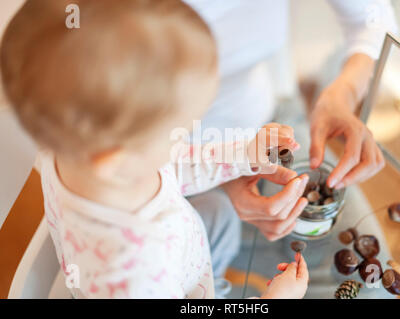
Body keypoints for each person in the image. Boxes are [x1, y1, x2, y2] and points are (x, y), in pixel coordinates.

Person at [1, 0, 310, 298]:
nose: (186, 138)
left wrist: (245, 154)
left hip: (182, 259)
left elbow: (170, 166)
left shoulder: (72, 148)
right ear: (115, 161)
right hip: (177, 285)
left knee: (219, 214)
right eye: (181, 132)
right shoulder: (135, 277)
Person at [182, 0, 398, 286]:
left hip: (272, 122)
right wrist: (223, 173)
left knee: (370, 284)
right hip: (170, 161)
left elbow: (373, 17)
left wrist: (342, 95)